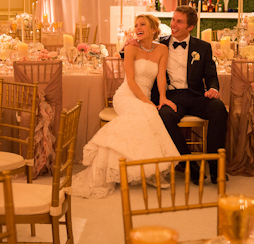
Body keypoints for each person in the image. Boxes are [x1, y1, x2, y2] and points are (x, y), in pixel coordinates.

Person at [72, 14, 180, 199]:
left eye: (142, 24)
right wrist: (147, 102)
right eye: (136, 24)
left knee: (147, 115)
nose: (138, 27)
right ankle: (152, 172)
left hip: (144, 96)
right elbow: (130, 80)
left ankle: (148, 170)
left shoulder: (162, 49)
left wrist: (162, 98)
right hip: (126, 95)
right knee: (148, 112)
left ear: (153, 29)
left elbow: (161, 76)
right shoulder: (131, 48)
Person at [154, 5, 228, 184]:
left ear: (190, 27)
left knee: (219, 108)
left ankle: (215, 166)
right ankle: (190, 165)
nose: (173, 24)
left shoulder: (203, 47)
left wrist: (213, 89)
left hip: (196, 95)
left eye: (179, 22)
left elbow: (211, 75)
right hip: (171, 97)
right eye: (173, 20)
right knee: (165, 115)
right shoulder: (159, 44)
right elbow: (134, 53)